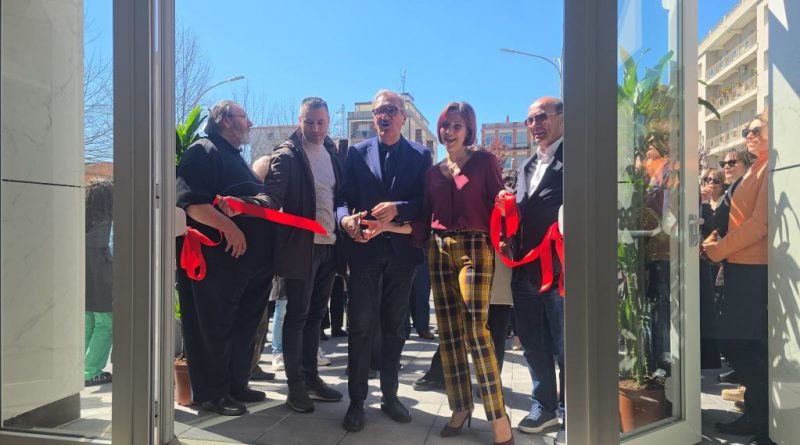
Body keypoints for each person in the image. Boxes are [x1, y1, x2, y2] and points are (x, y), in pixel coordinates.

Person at [365, 101, 513, 444]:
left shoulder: (484, 162)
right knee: (447, 334)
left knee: (476, 330)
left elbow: (499, 205)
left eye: (457, 125)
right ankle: (460, 407)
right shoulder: (432, 173)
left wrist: (507, 228)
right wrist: (385, 228)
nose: (449, 131)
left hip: (475, 247)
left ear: (469, 129)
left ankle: (497, 414)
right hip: (438, 249)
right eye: (445, 125)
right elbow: (422, 223)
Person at [225, 97, 345, 413]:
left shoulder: (332, 153)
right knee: (297, 317)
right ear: (299, 121)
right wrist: (243, 204)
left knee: (316, 318)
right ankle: (296, 387)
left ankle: (311, 378)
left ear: (328, 121)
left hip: (329, 247)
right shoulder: (287, 154)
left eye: (321, 122)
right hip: (300, 248)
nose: (316, 128)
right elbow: (271, 196)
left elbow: (337, 198)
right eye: (309, 122)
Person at [336, 89, 432, 432]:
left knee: (395, 329)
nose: (384, 115)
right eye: (378, 111)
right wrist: (345, 220)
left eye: (391, 110)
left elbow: (425, 202)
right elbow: (343, 198)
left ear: (403, 116)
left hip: (402, 256)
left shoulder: (421, 155)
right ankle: (357, 402)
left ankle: (390, 396)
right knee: (361, 328)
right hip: (363, 252)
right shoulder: (357, 153)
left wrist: (398, 209)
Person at [176, 100, 273, 416]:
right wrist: (230, 228)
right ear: (226, 121)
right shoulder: (202, 151)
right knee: (213, 328)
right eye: (245, 118)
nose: (250, 124)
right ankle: (213, 395)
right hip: (216, 264)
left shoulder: (236, 157)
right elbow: (191, 203)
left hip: (247, 268)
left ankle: (235, 384)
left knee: (243, 328)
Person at [704, 114, 773, 445]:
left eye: (756, 130)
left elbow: (760, 224)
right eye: (747, 131)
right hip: (738, 264)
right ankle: (761, 416)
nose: (749, 134)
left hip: (752, 267)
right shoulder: (757, 168)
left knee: (734, 341)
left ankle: (763, 416)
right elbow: (736, 219)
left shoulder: (769, 169)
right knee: (748, 343)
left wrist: (718, 251)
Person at [502, 97, 565, 436]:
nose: (535, 125)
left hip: (560, 273)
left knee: (565, 344)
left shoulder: (577, 158)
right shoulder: (525, 166)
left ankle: (573, 407)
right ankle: (544, 406)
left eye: (541, 117)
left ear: (561, 118)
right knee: (532, 344)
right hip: (525, 270)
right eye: (529, 120)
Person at [248, 154, 276, 382]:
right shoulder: (257, 197)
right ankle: (249, 367)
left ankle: (252, 366)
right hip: (253, 271)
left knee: (261, 321)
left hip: (262, 269)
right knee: (256, 322)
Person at [84, 179, 114, 386]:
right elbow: (114, 253)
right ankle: (91, 371)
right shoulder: (110, 225)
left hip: (85, 283)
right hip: (105, 282)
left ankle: (80, 369)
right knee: (106, 324)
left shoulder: (83, 224)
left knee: (88, 323)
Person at [699, 167, 726, 370]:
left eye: (715, 181)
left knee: (712, 306)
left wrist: (705, 205)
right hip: (705, 257)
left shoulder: (724, 200)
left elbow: (711, 228)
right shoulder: (699, 198)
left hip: (716, 258)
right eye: (707, 179)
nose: (711, 183)